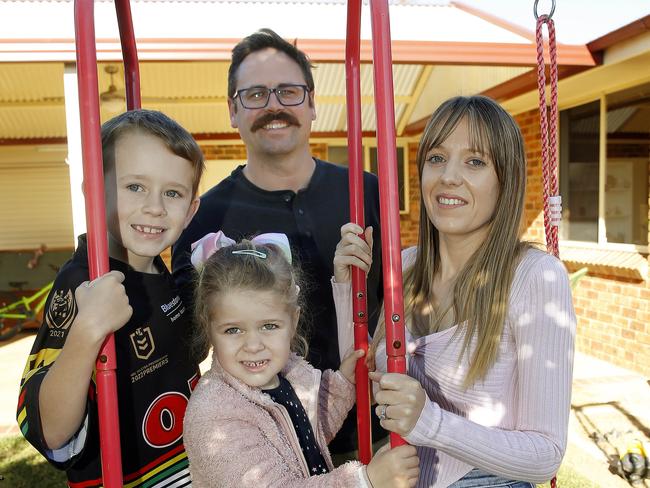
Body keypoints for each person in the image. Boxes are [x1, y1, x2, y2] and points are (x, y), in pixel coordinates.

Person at [333, 95, 576, 487]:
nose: (448, 176)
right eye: (436, 158)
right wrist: (348, 286)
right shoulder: (407, 265)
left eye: (475, 162)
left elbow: (545, 455)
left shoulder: (536, 277)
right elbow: (365, 377)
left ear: (505, 179)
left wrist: (430, 423)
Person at [172, 27, 384, 457]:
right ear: (233, 110)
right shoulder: (204, 220)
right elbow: (189, 341)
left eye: (288, 92)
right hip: (272, 448)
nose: (273, 106)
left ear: (311, 103)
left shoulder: (368, 193)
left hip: (379, 429)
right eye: (255, 95)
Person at [16, 109, 204, 487]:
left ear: (190, 211)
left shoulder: (157, 269)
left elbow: (179, 354)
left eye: (172, 193)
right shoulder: (84, 283)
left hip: (188, 466)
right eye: (134, 186)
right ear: (93, 192)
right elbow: (51, 431)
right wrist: (87, 332)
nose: (155, 206)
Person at [182, 231, 419, 487]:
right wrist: (365, 480)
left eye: (269, 326)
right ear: (209, 329)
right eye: (233, 330)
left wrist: (343, 384)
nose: (253, 345)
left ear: (293, 321)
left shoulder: (288, 376)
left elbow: (309, 432)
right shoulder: (215, 415)